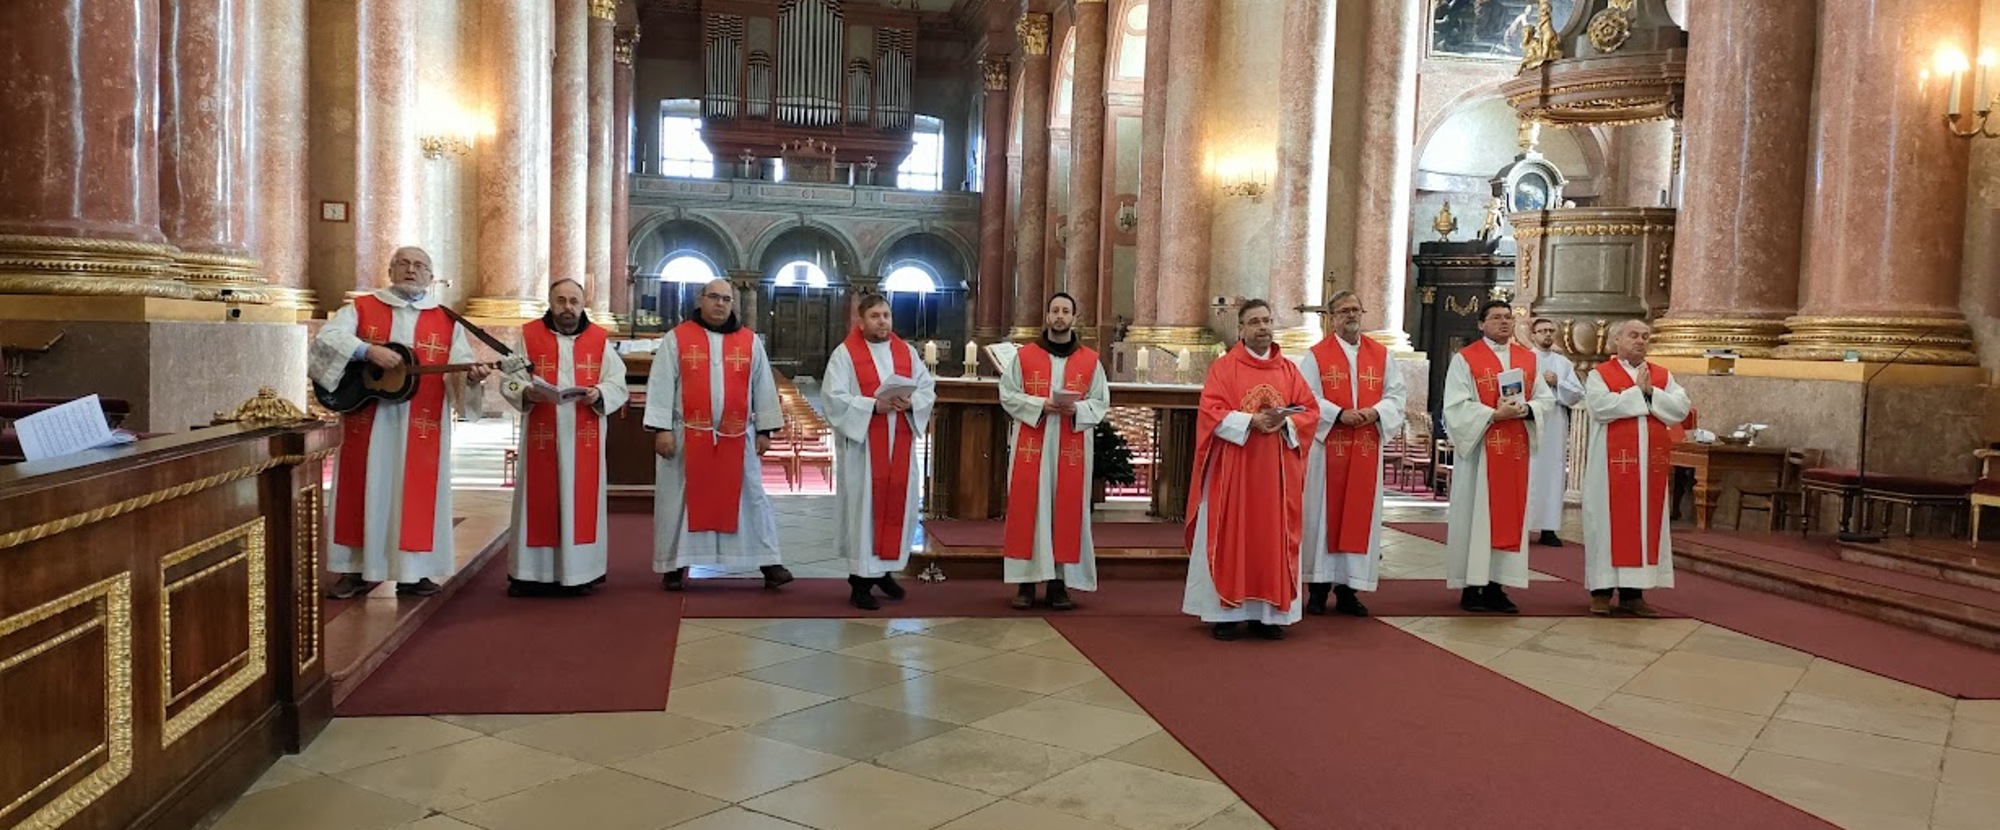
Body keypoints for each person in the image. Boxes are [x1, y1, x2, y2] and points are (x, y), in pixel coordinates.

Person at [309, 246, 514, 598]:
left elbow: (460, 366)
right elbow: (326, 340)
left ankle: (414, 572)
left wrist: (472, 377)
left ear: (430, 277)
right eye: (403, 263)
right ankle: (354, 570)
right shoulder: (362, 308)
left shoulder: (446, 320)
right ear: (390, 270)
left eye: (420, 265)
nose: (411, 269)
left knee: (417, 494)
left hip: (423, 423)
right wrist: (367, 351)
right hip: (369, 418)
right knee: (363, 488)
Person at [1182, 299, 1319, 640]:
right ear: (1241, 328)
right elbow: (1210, 411)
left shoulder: (1289, 370)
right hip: (1235, 473)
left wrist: (1286, 421)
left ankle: (1267, 617)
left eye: (1267, 320)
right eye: (1255, 322)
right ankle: (1226, 615)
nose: (1263, 327)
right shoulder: (1224, 368)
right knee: (1233, 538)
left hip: (1276, 477)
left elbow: (1309, 411)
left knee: (1270, 541)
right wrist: (1249, 421)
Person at [644, 279, 790, 591]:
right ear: (701, 300)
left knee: (752, 499)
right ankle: (674, 565)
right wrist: (662, 429)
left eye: (726, 299)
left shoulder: (749, 341)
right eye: (714, 297)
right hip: (687, 436)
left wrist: (765, 429)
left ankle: (768, 561)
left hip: (736, 436)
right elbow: (661, 384)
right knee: (678, 502)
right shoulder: (677, 338)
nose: (720, 304)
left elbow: (763, 386)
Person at [500, 279, 628, 597]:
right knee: (537, 500)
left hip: (583, 434)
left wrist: (600, 392)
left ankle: (580, 572)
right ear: (551, 302)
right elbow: (507, 380)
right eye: (561, 300)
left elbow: (618, 384)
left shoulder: (599, 340)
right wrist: (524, 391)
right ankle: (531, 574)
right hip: (541, 434)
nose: (567, 307)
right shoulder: (528, 336)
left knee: (579, 500)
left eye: (574, 301)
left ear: (583, 305)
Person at [822, 294, 937, 610]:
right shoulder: (845, 355)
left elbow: (926, 388)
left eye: (886, 315)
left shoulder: (906, 352)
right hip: (864, 452)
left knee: (897, 507)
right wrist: (874, 405)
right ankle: (860, 583)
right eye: (875, 316)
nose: (882, 321)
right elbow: (833, 398)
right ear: (861, 321)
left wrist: (911, 402)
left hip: (899, 443)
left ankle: (884, 572)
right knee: (864, 512)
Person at [999, 293, 1110, 610]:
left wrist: (1077, 409)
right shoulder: (1024, 357)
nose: (1060, 316)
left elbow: (1101, 401)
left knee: (1066, 511)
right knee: (1030, 510)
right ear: (1047, 316)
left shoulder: (1090, 360)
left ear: (1074, 317)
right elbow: (1007, 394)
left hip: (1071, 445)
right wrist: (1040, 405)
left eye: (1065, 311)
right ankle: (1025, 584)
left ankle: (1059, 585)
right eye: (1055, 310)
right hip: (1032, 444)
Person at [1442, 299, 1554, 613]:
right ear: (1481, 324)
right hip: (1480, 454)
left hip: (1514, 453)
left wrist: (1526, 409)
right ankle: (1471, 587)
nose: (1504, 322)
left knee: (1508, 518)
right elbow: (1455, 405)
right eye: (1495, 318)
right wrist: (1493, 414)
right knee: (1476, 519)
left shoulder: (1528, 359)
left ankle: (1496, 587)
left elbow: (1545, 400)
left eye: (1507, 317)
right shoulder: (1466, 359)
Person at [1299, 291, 1407, 617]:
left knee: (1362, 516)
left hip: (1365, 447)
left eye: (1356, 309)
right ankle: (1318, 591)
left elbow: (1396, 395)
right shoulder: (1316, 356)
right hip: (1328, 450)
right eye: (1344, 310)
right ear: (1332, 318)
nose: (1351, 315)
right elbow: (1306, 397)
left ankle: (1349, 590)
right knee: (1321, 517)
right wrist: (1338, 414)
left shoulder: (1382, 356)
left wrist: (1375, 413)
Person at [1581, 319, 1690, 617]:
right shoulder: (1600, 374)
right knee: (1605, 523)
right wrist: (1640, 395)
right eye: (1633, 335)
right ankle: (1601, 592)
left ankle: (1634, 594)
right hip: (1610, 468)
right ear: (1617, 340)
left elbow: (1680, 408)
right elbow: (1600, 407)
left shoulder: (1661, 375)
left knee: (1643, 524)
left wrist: (1651, 392)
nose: (1640, 341)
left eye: (1645, 336)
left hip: (1648, 469)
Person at [1526, 317, 1585, 546]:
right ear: (1533, 335)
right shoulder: (1523, 359)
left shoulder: (1563, 363)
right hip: (1530, 420)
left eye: (1551, 330)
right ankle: (1522, 525)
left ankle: (1548, 528)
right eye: (1542, 331)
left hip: (1554, 423)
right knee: (1529, 472)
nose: (1547, 334)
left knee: (1552, 473)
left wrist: (1557, 382)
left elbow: (1577, 393)